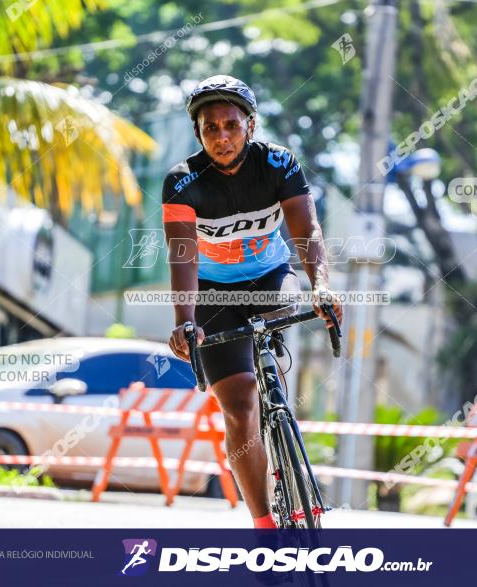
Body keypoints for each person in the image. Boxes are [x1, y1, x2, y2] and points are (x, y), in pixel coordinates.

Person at [162, 75, 343, 529]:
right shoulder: (183, 181)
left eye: (231, 125)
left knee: (284, 308)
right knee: (240, 411)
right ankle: (263, 526)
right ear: (198, 133)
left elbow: (306, 230)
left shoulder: (278, 163)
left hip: (269, 278)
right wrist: (185, 321)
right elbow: (182, 254)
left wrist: (321, 285)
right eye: (210, 129)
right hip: (211, 294)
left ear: (251, 125)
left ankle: (277, 402)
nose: (221, 137)